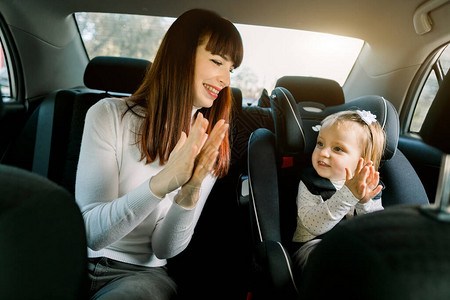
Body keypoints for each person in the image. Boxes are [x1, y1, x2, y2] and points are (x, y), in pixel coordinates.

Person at [75, 9, 243, 300]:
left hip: (142, 275)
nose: (225, 80)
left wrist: (187, 194)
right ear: (180, 56)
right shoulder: (107, 115)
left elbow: (165, 249)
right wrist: (162, 182)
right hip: (71, 260)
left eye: (231, 69)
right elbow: (92, 234)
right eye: (216, 61)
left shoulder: (210, 145)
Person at [291, 110, 386, 272]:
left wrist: (364, 203)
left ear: (363, 160)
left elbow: (374, 231)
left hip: (353, 246)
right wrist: (348, 195)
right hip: (312, 246)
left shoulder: (369, 186)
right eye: (320, 143)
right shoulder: (310, 182)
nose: (323, 152)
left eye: (337, 148)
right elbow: (312, 225)